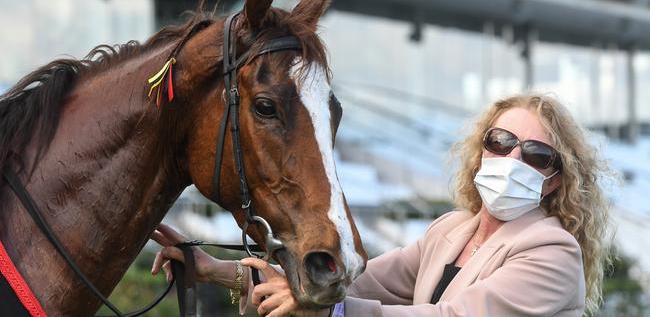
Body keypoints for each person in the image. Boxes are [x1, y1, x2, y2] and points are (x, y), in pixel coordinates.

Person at [152, 93, 613, 316]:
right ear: (482, 150)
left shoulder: (553, 252)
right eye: (502, 141)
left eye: (535, 155)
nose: (512, 158)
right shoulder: (451, 230)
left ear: (554, 182)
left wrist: (327, 311)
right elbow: (352, 279)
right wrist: (214, 268)